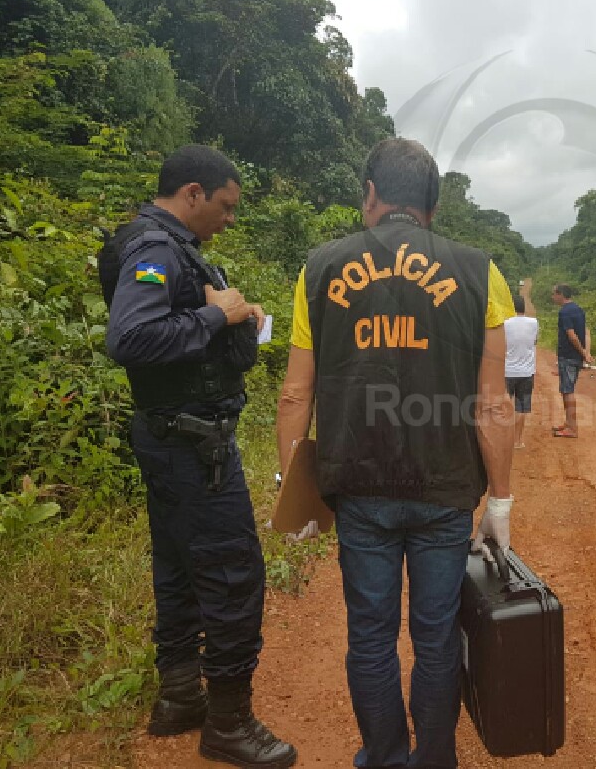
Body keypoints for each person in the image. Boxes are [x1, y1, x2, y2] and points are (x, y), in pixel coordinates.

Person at [275, 138, 516, 769]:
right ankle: (433, 760)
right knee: (437, 639)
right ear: (433, 207)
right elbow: (494, 404)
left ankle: (383, 758)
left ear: (371, 195)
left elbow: (295, 393)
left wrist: (291, 487)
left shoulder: (321, 267)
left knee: (370, 638)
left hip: (359, 490)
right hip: (444, 490)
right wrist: (503, 501)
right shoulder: (478, 271)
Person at [99, 145, 296, 769]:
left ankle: (181, 695)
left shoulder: (170, 250)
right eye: (226, 206)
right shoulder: (156, 251)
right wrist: (215, 317)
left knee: (179, 568)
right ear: (191, 193)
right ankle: (229, 724)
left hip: (171, 439)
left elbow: (178, 331)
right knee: (234, 573)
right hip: (192, 446)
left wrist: (235, 320)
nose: (230, 218)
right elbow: (129, 337)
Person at [551, 283, 593, 438]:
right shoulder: (579, 310)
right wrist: (586, 353)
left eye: (554, 294)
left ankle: (572, 428)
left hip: (568, 357)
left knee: (568, 391)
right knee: (565, 390)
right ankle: (568, 423)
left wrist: (583, 353)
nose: (553, 297)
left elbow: (572, 335)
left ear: (561, 294)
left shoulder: (565, 312)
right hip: (574, 357)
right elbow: (586, 332)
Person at [504, 282, 539, 449]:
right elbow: (535, 342)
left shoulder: (505, 324)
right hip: (526, 372)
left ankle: (503, 439)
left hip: (507, 370)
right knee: (521, 407)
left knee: (504, 405)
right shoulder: (534, 323)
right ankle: (518, 441)